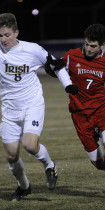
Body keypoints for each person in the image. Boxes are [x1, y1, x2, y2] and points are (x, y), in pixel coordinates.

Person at [0, 13, 76, 201]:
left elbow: (57, 65)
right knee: (11, 155)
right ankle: (24, 187)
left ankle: (49, 165)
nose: (4, 39)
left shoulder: (32, 49)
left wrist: (68, 85)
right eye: (0, 36)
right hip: (9, 111)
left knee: (29, 145)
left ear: (16, 33)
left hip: (32, 105)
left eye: (7, 35)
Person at [45, 23, 105, 173]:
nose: (88, 49)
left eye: (92, 46)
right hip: (80, 114)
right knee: (98, 163)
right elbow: (56, 72)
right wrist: (51, 67)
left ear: (102, 45)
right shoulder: (72, 55)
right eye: (86, 44)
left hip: (101, 110)